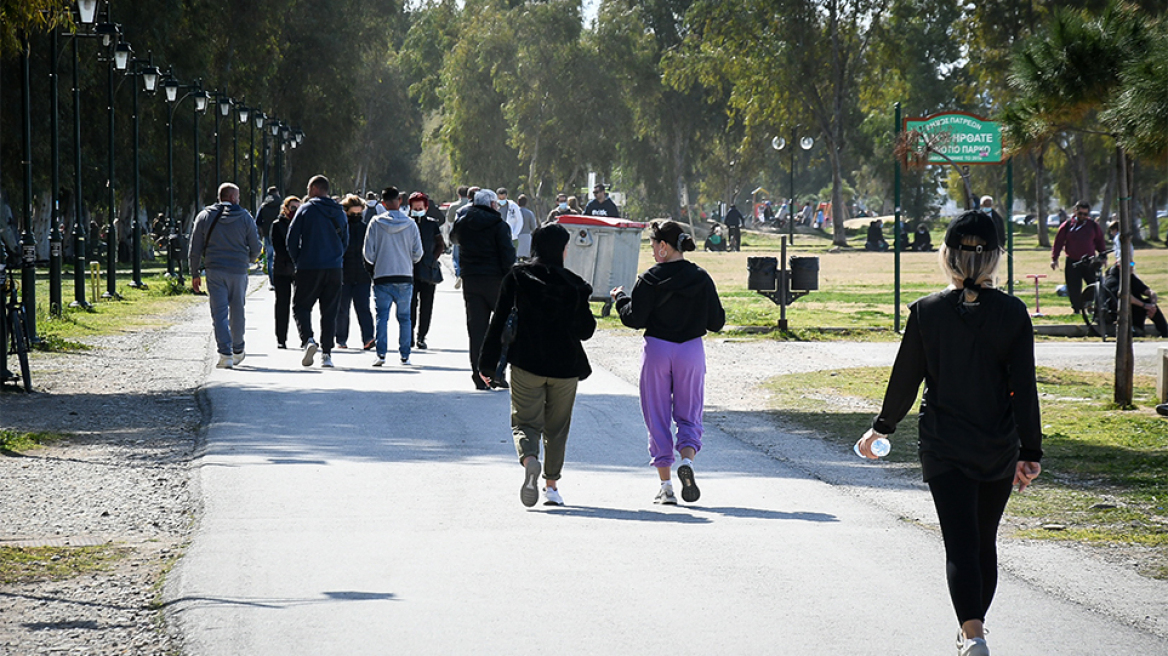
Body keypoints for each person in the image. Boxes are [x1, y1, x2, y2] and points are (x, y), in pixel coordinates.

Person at [857, 209, 1042, 656]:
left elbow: (906, 379)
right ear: (997, 258)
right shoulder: (1014, 313)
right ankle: (973, 630)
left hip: (943, 446)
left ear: (946, 257)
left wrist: (880, 428)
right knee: (983, 543)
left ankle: (972, 633)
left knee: (959, 542)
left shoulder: (926, 312)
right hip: (998, 446)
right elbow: (1024, 387)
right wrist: (1030, 450)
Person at [479, 223, 596, 507]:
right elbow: (586, 331)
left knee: (524, 422)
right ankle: (552, 487)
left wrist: (486, 364)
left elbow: (498, 323)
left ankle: (530, 460)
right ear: (562, 250)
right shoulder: (575, 285)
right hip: (566, 368)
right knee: (556, 429)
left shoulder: (518, 277)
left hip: (526, 364)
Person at [610, 220, 725, 505]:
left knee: (657, 415)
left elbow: (634, 318)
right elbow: (717, 322)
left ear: (663, 246)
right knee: (689, 413)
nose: (651, 251)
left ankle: (666, 487)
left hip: (658, 349)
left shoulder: (649, 278)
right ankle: (687, 460)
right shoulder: (701, 277)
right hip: (691, 350)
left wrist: (620, 298)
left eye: (652, 245)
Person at [187, 183, 261, 369]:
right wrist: (248, 260)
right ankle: (238, 348)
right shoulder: (245, 217)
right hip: (238, 270)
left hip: (215, 270)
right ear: (234, 197)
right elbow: (257, 246)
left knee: (219, 312)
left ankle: (225, 353)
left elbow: (194, 248)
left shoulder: (204, 216)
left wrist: (195, 273)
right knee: (237, 309)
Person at [450, 189, 517, 390]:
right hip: (496, 282)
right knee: (502, 329)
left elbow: (453, 239)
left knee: (476, 330)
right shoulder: (499, 225)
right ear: (491, 204)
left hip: (471, 281)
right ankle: (497, 372)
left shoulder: (463, 223)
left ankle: (478, 375)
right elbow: (507, 256)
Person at [287, 175, 348, 369]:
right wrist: (336, 257)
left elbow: (291, 238)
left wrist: (299, 259)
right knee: (329, 311)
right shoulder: (339, 211)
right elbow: (345, 240)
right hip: (334, 268)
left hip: (309, 266)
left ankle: (309, 340)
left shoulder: (306, 209)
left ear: (314, 188)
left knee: (301, 306)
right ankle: (327, 355)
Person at [363, 186, 423, 366]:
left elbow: (368, 253)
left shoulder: (375, 223)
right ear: (400, 201)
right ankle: (405, 355)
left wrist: (378, 263)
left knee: (382, 316)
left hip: (383, 275)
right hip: (404, 275)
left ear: (383, 203)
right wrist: (407, 260)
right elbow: (418, 253)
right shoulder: (411, 224)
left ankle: (381, 354)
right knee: (405, 318)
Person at [1051, 200, 1107, 312]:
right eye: (1080, 213)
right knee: (1073, 288)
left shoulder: (1093, 226)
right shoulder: (1067, 226)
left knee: (1093, 285)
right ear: (1075, 211)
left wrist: (1103, 256)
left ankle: (1088, 304)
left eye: (1085, 214)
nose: (1082, 216)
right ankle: (1077, 309)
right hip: (1073, 261)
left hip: (1089, 261)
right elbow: (1058, 242)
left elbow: (1100, 241)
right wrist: (1054, 258)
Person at [335, 195, 375, 351]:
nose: (357, 217)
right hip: (343, 274)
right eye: (353, 214)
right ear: (345, 212)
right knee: (342, 308)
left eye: (359, 214)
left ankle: (368, 338)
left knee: (363, 308)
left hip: (363, 275)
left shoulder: (367, 228)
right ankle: (341, 339)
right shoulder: (340, 229)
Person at [407, 191, 445, 350]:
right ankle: (408, 335)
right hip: (409, 269)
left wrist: (432, 259)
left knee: (426, 305)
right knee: (410, 305)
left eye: (420, 207)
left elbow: (440, 244)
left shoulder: (432, 224)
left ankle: (421, 336)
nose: (417, 210)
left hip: (428, 270)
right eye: (415, 207)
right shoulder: (407, 223)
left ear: (426, 207)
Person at [1103, 263, 1168, 337]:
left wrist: (1152, 305)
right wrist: (1145, 305)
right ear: (1119, 266)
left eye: (1133, 263)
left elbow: (1149, 291)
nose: (1132, 266)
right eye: (1130, 263)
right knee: (1145, 304)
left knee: (1152, 305)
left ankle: (1165, 332)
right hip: (1118, 311)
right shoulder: (1112, 280)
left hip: (1135, 308)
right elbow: (1126, 297)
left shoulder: (1131, 277)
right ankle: (1136, 330)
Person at [269, 196, 300, 349]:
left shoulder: (303, 223)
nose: (295, 211)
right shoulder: (277, 225)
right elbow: (278, 248)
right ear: (286, 208)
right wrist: (295, 255)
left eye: (298, 208)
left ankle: (305, 337)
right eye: (293, 208)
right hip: (282, 269)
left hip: (300, 269)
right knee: (282, 303)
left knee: (301, 304)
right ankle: (281, 338)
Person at [255, 187, 281, 287]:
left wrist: (263, 231)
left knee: (270, 258)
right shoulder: (281, 204)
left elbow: (258, 222)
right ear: (277, 193)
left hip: (268, 234)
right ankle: (281, 280)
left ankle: (272, 282)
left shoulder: (264, 206)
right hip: (280, 233)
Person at [516, 194, 539, 259]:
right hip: (526, 237)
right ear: (526, 203)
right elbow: (534, 227)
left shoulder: (514, 213)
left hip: (515, 237)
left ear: (518, 202)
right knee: (526, 258)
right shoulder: (529, 213)